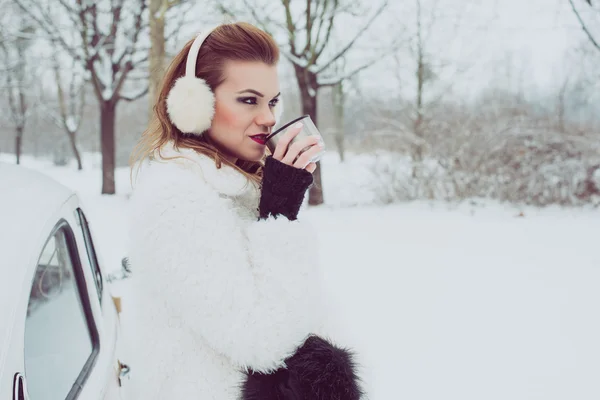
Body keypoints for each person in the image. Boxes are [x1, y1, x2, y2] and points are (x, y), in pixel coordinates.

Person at [127, 22, 360, 399]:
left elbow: (302, 307)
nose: (269, 118)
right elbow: (266, 341)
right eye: (249, 100)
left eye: (272, 101)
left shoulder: (238, 188)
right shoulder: (176, 202)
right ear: (195, 104)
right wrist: (279, 217)